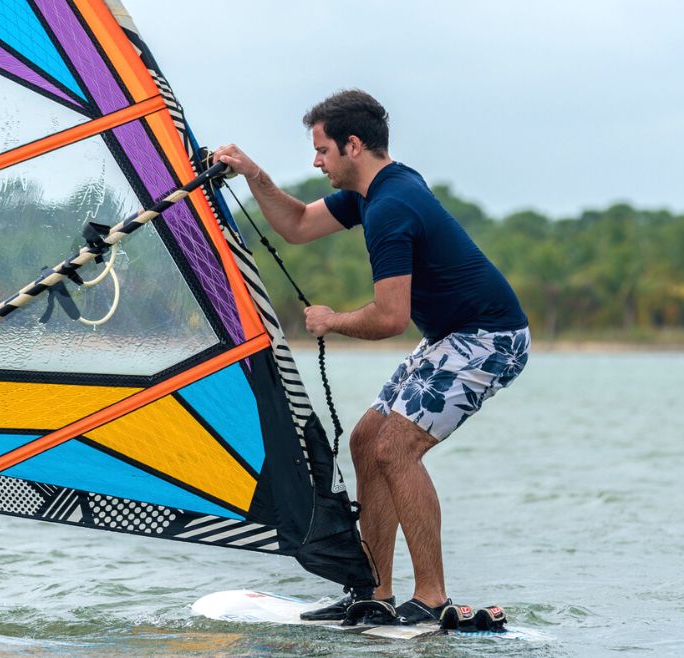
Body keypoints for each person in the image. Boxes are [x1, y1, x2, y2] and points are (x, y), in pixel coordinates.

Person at [214, 89, 530, 626]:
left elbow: (389, 318)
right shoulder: (374, 190)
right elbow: (295, 226)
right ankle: (373, 591)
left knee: (396, 448)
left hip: (489, 338)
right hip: (452, 336)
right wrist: (250, 173)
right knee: (366, 441)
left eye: (322, 150)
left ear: (353, 145)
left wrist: (331, 320)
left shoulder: (390, 206)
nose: (316, 161)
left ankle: (431, 598)